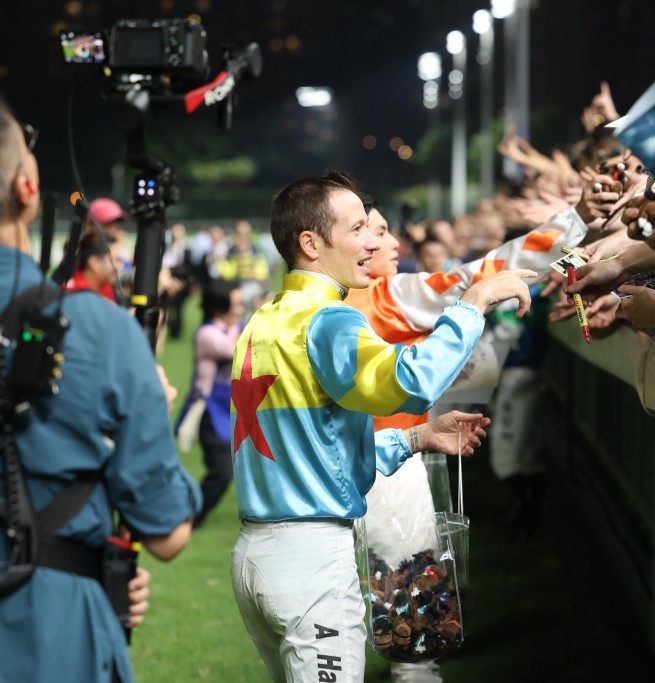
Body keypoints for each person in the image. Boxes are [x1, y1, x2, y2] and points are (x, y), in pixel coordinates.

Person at [230, 170, 534, 683]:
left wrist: (416, 438)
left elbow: (317, 447)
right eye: (357, 230)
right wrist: (473, 305)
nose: (373, 241)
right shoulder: (329, 319)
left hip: (255, 557)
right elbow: (409, 383)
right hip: (311, 563)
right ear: (311, 244)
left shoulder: (264, 320)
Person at [0, 103, 200, 682]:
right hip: (48, 628)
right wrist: (149, 410)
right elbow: (167, 533)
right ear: (26, 188)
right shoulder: (98, 327)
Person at [176, 279, 243, 527]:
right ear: (219, 306)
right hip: (209, 411)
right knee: (222, 472)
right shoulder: (207, 334)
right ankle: (187, 517)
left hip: (231, 408)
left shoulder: (237, 327)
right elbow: (236, 350)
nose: (240, 309)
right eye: (235, 304)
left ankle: (189, 517)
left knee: (228, 471)